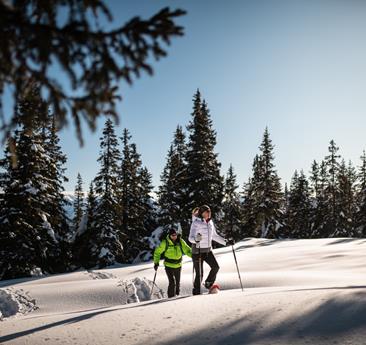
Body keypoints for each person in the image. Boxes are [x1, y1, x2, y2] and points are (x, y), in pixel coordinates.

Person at [189, 205, 232, 295]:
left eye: (209, 211)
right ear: (202, 213)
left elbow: (214, 236)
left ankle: (208, 283)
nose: (209, 213)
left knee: (215, 267)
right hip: (197, 251)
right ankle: (196, 291)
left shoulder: (210, 222)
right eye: (207, 212)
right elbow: (190, 238)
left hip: (208, 250)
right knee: (199, 274)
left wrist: (226, 242)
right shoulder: (196, 223)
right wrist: (196, 240)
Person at [153, 228, 192, 298]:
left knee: (177, 284)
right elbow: (157, 252)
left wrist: (194, 256)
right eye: (173, 235)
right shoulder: (165, 242)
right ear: (169, 235)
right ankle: (170, 297)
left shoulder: (180, 241)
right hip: (168, 266)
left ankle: (177, 296)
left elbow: (187, 250)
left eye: (175, 235)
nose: (174, 236)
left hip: (178, 265)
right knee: (172, 283)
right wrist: (156, 263)